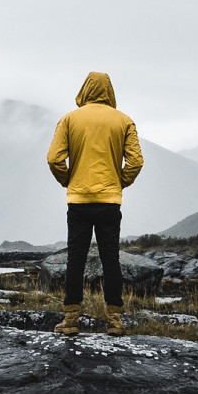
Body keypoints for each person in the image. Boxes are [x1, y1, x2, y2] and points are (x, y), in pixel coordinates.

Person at [46, 71, 144, 336]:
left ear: (85, 89)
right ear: (109, 91)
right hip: (110, 201)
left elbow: (54, 159)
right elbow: (135, 162)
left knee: (75, 258)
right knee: (110, 259)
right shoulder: (124, 121)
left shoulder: (69, 119)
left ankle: (70, 321)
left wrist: (68, 181)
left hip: (78, 200)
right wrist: (119, 183)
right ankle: (114, 322)